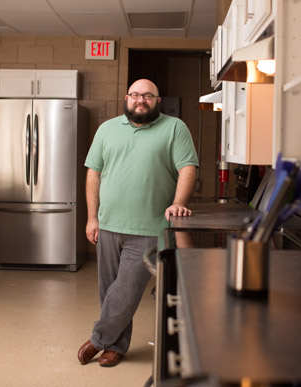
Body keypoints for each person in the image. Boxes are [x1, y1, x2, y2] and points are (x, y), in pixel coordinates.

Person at [78, 79, 199, 367]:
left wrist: (179, 202)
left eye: (147, 95)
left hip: (149, 228)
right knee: (110, 292)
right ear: (126, 98)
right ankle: (116, 347)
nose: (140, 100)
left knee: (126, 290)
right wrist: (92, 218)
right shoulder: (106, 129)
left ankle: (97, 340)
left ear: (158, 100)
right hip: (108, 225)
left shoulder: (174, 128)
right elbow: (93, 174)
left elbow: (188, 169)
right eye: (135, 95)